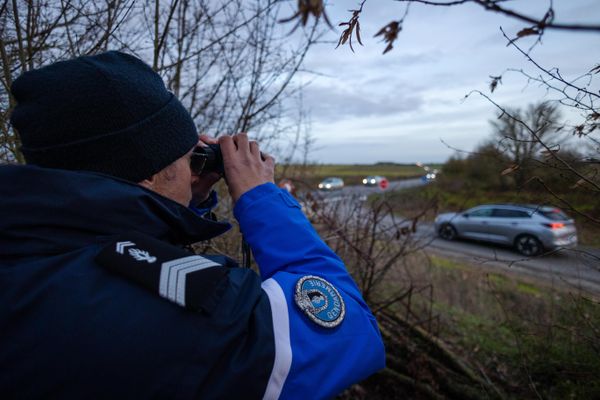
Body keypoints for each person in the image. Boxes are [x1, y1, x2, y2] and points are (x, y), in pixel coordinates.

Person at [0, 51, 385, 399]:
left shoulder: (28, 248)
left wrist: (176, 202)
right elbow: (348, 332)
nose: (194, 170)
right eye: (187, 159)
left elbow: (105, 252)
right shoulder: (191, 306)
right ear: (149, 173)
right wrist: (260, 196)